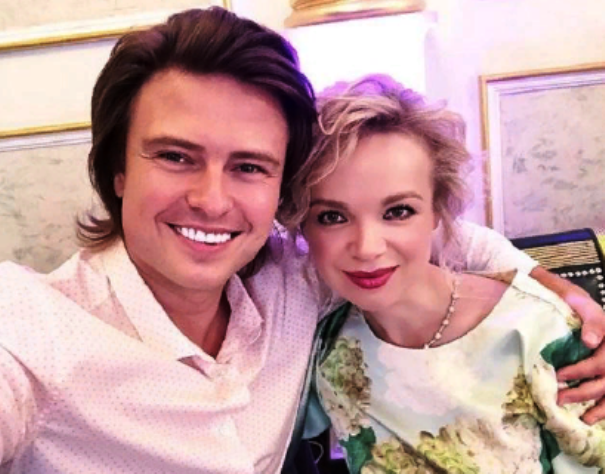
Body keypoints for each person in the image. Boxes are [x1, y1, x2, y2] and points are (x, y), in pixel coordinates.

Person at [0, 8, 603, 474]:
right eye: (177, 156)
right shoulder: (33, 330)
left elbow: (431, 234)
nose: (212, 200)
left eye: (249, 167)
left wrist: (567, 302)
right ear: (117, 170)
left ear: (279, 191)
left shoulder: (295, 277)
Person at [292, 74, 605, 472]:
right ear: (301, 225)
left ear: (438, 210)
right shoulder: (326, 348)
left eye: (398, 211)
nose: (367, 247)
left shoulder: (537, 330)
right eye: (332, 217)